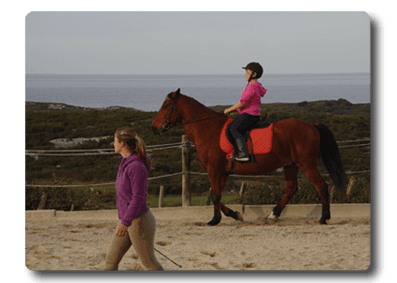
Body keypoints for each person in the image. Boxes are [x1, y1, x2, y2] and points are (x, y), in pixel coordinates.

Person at [105, 127, 163, 270]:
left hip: (139, 222)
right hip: (128, 220)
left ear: (123, 143)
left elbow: (138, 198)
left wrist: (125, 222)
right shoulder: (124, 163)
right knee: (110, 262)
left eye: (115, 141)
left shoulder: (136, 167)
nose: (113, 144)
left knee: (149, 263)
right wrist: (125, 221)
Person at [224, 62, 267, 162]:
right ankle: (236, 150)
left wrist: (229, 109)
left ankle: (243, 153)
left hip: (249, 115)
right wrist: (234, 110)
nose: (245, 74)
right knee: (231, 127)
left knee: (234, 128)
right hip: (252, 114)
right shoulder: (256, 86)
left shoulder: (252, 86)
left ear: (254, 74)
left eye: (247, 72)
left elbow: (243, 102)